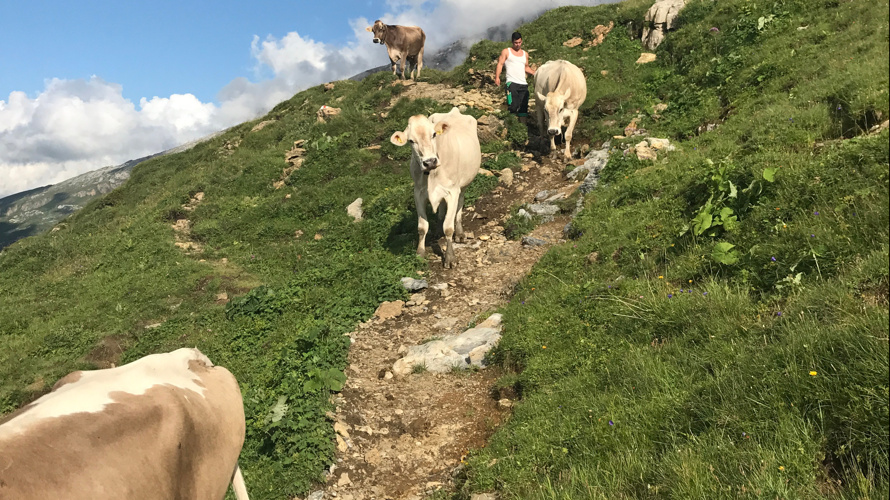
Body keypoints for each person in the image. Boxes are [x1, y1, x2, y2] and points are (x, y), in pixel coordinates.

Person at [494, 31, 536, 123]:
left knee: (523, 107)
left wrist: (534, 73)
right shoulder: (506, 51)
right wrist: (497, 77)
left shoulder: (525, 54)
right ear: (512, 42)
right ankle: (511, 125)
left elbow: (526, 67)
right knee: (513, 105)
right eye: (516, 43)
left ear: (522, 41)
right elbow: (500, 64)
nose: (518, 44)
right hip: (511, 82)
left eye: (519, 42)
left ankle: (522, 128)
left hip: (523, 84)